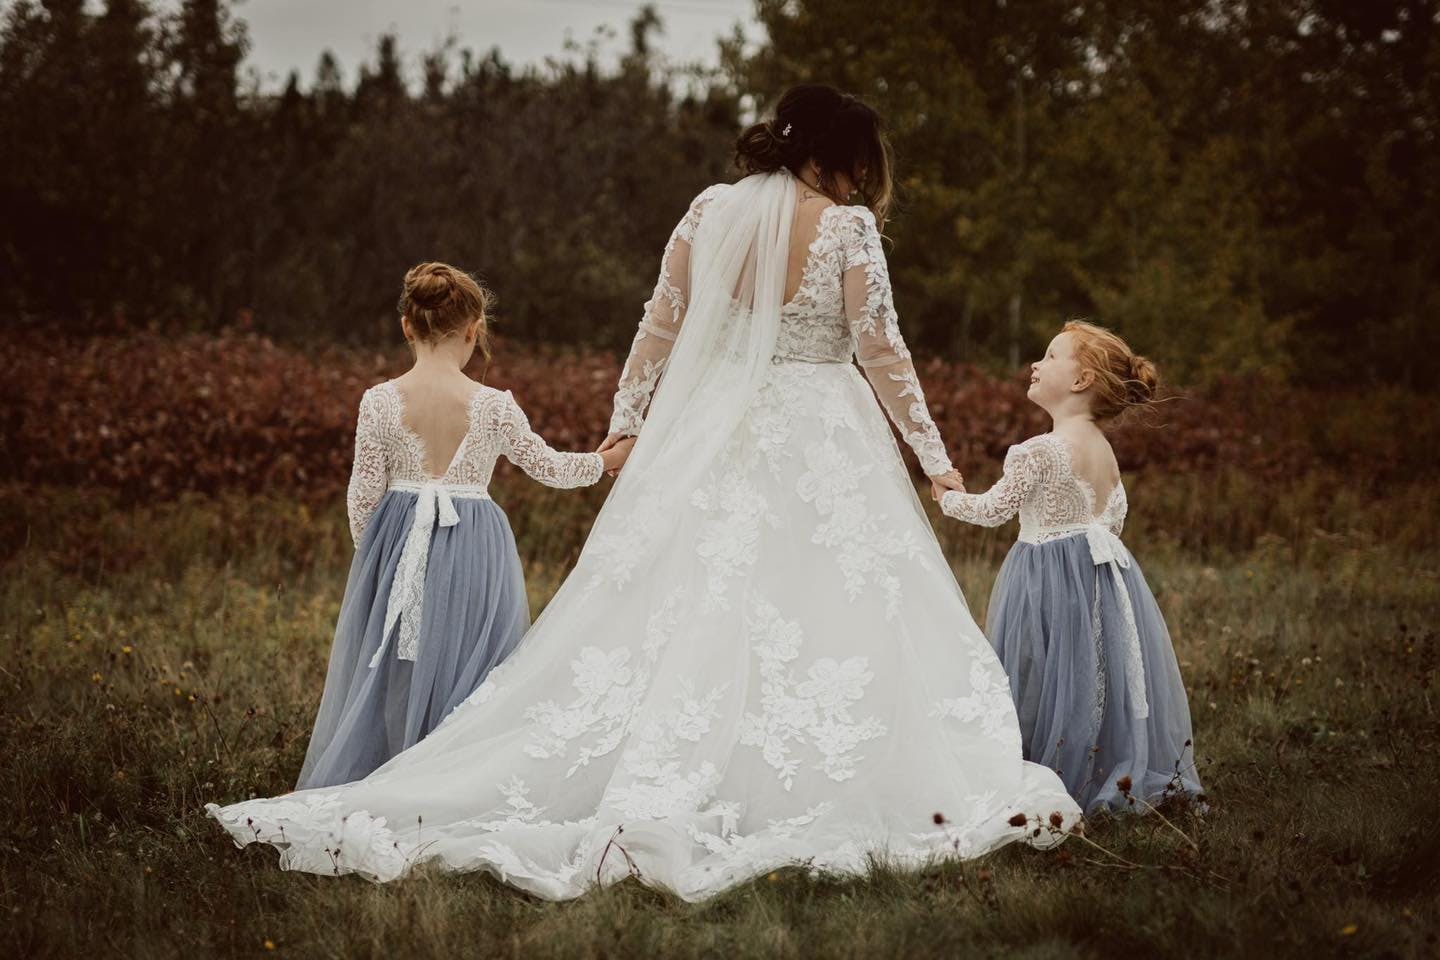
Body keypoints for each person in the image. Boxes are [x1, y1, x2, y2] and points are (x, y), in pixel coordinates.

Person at [207, 85, 1080, 901]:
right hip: (826, 427)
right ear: (840, 157)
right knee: (832, 594)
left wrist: (629, 422)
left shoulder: (709, 212)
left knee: (687, 592)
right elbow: (882, 353)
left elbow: (657, 326)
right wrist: (931, 457)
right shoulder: (847, 231)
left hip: (706, 425)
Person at [296, 262, 633, 789]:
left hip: (397, 546)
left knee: (398, 669)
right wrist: (606, 460)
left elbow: (362, 495)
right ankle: (451, 776)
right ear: (475, 331)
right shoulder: (494, 406)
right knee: (471, 667)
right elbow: (548, 467)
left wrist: (378, 565)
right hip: (474, 548)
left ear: (408, 326)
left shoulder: (379, 401)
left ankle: (394, 765)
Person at [936, 320, 1204, 814]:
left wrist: (947, 497)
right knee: (1092, 673)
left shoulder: (1040, 450)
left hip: (1045, 579)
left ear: (1081, 382)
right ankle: (1098, 766)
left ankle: (1048, 770)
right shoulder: (1105, 453)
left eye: (1052, 356)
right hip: (1101, 581)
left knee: (1043, 673)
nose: (1036, 364)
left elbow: (993, 510)